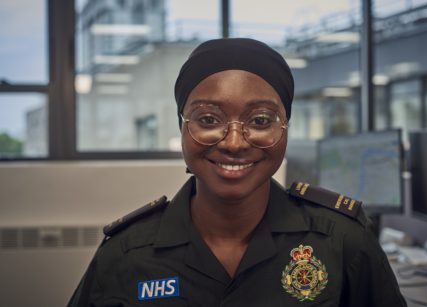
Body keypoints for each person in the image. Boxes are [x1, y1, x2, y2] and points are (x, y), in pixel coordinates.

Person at [68, 38, 407, 307]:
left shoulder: (342, 242)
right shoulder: (127, 254)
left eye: (260, 121)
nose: (233, 143)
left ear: (285, 128)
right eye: (208, 120)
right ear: (182, 129)